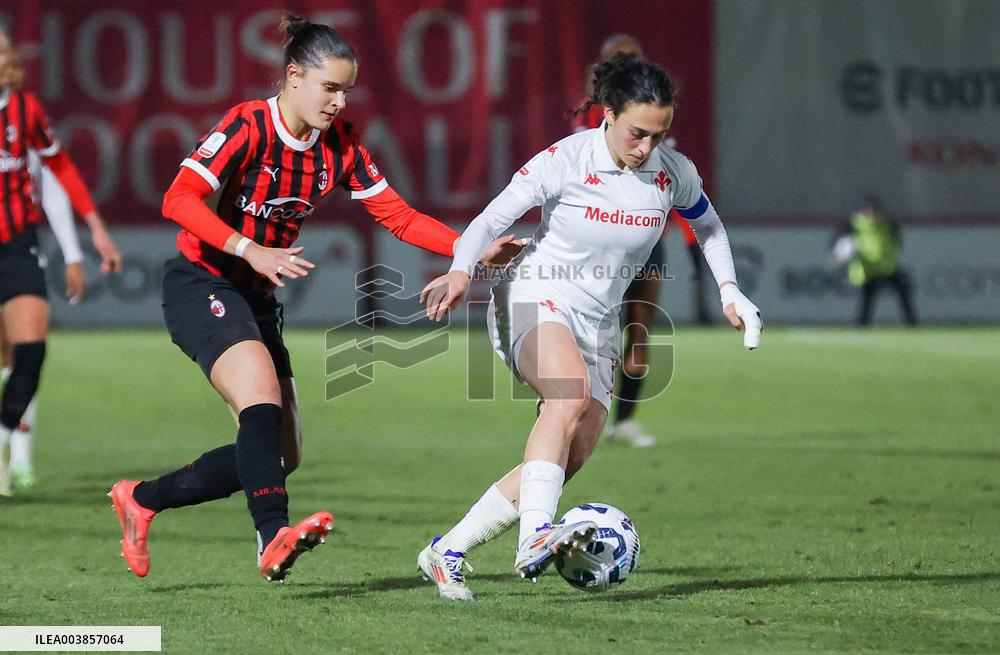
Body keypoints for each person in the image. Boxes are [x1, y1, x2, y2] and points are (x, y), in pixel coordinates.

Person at [108, 14, 524, 582]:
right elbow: (178, 199)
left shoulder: (342, 148)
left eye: (346, 90)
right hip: (203, 281)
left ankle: (142, 499)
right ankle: (270, 537)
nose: (338, 101)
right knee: (260, 400)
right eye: (329, 87)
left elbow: (398, 217)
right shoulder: (247, 126)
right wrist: (248, 248)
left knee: (279, 457)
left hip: (255, 298)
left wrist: (469, 251)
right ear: (294, 76)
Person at [417, 53, 762, 600]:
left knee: (568, 455)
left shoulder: (673, 173)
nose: (647, 147)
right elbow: (489, 218)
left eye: (659, 134)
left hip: (598, 322)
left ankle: (446, 550)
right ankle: (535, 536)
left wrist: (728, 289)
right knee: (567, 396)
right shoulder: (567, 159)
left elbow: (710, 226)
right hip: (533, 294)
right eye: (637, 133)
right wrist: (462, 269)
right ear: (607, 114)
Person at [0, 30, 122, 497]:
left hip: (17, 244)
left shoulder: (24, 110)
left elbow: (59, 168)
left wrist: (94, 229)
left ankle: (11, 446)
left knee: (29, 353)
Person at [574, 35, 710, 449]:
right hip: (603, 243)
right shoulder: (592, 126)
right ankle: (584, 416)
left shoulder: (651, 127)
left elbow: (680, 190)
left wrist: (691, 239)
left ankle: (624, 421)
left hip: (649, 243)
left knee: (639, 332)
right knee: (603, 335)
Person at [832, 194, 917, 326]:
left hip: (887, 268)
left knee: (903, 289)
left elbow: (897, 243)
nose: (872, 213)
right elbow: (841, 245)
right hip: (868, 270)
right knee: (867, 299)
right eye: (869, 210)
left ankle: (912, 323)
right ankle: (862, 325)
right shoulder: (854, 225)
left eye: (874, 210)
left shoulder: (888, 224)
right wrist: (840, 256)